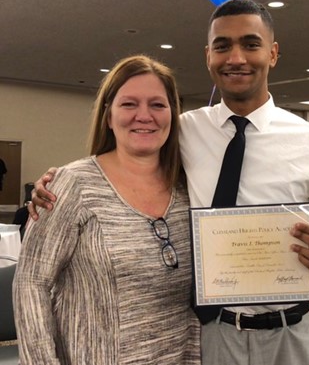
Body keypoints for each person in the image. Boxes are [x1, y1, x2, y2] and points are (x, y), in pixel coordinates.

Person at [30, 0, 309, 365]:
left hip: (293, 332)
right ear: (208, 56)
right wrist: (55, 183)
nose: (235, 57)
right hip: (211, 334)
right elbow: (126, 160)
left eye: (250, 44)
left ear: (272, 53)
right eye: (222, 46)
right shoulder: (183, 130)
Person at [13, 55, 200, 365]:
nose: (144, 115)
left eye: (157, 104)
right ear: (109, 116)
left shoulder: (190, 188)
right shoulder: (73, 184)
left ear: (173, 114)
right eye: (129, 104)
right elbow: (31, 283)